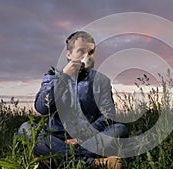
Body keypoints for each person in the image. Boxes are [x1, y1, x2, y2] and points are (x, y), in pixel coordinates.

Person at [18, 31, 129, 168]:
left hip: (89, 139)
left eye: (90, 52)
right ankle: (94, 163)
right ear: (68, 54)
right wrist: (64, 77)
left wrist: (84, 135)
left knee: (120, 130)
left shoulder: (101, 80)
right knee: (25, 128)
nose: (87, 56)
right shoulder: (52, 76)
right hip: (56, 138)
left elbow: (108, 115)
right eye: (81, 51)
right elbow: (42, 108)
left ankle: (53, 159)